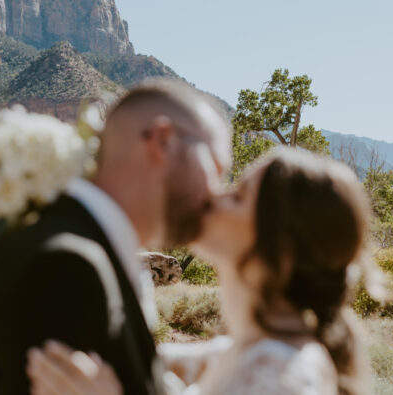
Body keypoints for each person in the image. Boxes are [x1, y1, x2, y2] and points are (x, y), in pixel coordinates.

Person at [0, 78, 232, 395]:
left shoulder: (78, 247)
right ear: (163, 141)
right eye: (217, 167)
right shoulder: (66, 267)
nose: (216, 194)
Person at [27, 147, 374, 394]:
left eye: (237, 197)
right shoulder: (233, 355)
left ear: (279, 252)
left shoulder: (284, 378)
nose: (214, 197)